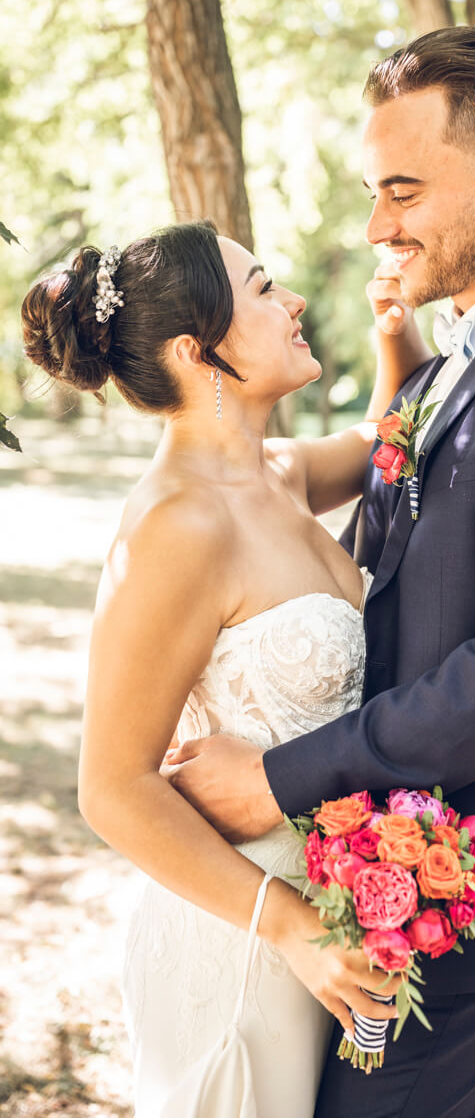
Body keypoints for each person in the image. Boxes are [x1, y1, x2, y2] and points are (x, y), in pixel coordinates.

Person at [168, 27, 475, 1118]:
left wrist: (278, 774)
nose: (376, 226)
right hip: (390, 875)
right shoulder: (448, 366)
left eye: (402, 190)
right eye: (372, 190)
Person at [20, 218, 432, 1115]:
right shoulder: (176, 525)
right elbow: (112, 788)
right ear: (195, 350)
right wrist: (288, 929)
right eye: (262, 290)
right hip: (240, 947)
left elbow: (385, 439)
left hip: (333, 931)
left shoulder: (275, 473)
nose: (291, 303)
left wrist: (395, 333)